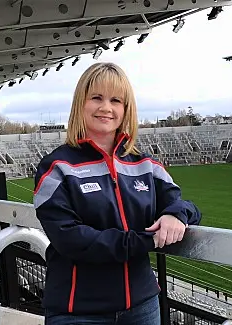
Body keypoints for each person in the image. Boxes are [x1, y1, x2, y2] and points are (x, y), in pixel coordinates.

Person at [33, 62, 202, 325]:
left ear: (126, 109)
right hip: (77, 311)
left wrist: (175, 215)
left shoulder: (146, 165)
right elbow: (71, 239)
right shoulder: (56, 168)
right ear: (81, 103)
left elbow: (184, 205)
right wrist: (145, 241)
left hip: (142, 307)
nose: (106, 108)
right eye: (96, 98)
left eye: (116, 100)